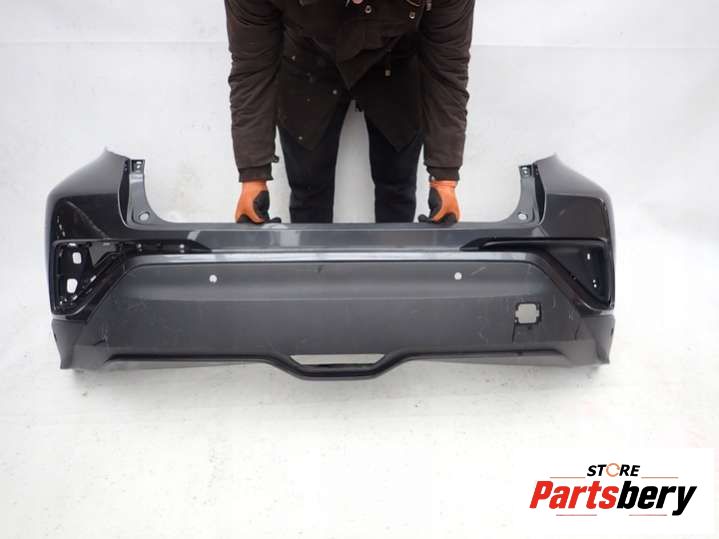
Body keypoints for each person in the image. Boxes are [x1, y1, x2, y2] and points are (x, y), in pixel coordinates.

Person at [225, 0, 473, 224]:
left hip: (395, 57)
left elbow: (446, 70)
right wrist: (253, 177)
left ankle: (394, 257)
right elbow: (252, 70)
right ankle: (313, 259)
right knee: (308, 190)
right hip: (308, 56)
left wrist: (445, 179)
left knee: (397, 188)